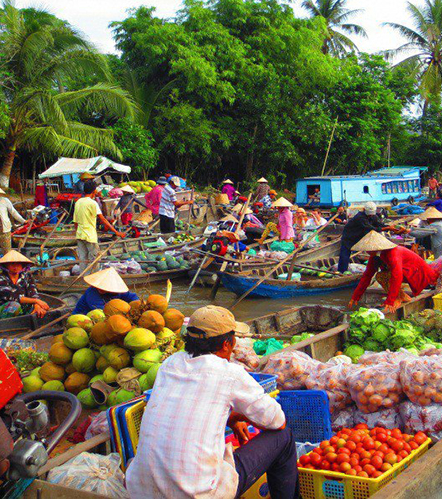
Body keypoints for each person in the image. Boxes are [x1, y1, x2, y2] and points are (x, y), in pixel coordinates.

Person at [126, 305, 297, 499]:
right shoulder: (230, 374)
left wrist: (231, 417)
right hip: (198, 494)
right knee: (284, 437)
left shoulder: (169, 364)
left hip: (141, 490)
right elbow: (277, 421)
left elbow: (189, 409)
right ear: (226, 344)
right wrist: (243, 416)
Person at [348, 231, 439, 312]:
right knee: (380, 276)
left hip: (417, 273)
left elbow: (397, 275)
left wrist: (390, 300)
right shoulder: (374, 256)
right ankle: (402, 296)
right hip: (407, 273)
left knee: (383, 276)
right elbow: (367, 275)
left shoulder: (393, 253)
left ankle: (399, 298)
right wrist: (356, 296)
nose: (367, 252)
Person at [74, 181, 125, 267]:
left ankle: (84, 278)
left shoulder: (78, 202)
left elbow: (75, 222)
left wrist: (77, 232)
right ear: (94, 191)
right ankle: (93, 278)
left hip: (80, 235)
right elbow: (103, 219)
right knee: (94, 260)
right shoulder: (92, 203)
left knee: (83, 260)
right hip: (90, 236)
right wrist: (116, 232)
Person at [0, 251, 49, 319]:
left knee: (43, 308)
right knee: (15, 306)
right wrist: (36, 301)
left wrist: (37, 305)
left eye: (18, 264)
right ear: (6, 265)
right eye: (12, 264)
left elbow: (33, 293)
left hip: (23, 309)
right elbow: (13, 297)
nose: (15, 266)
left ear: (22, 265)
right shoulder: (0, 279)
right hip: (3, 311)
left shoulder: (27, 276)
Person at [338, 202, 384, 273]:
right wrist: (387, 228)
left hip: (361, 237)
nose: (370, 216)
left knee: (374, 253)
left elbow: (380, 225)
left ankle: (377, 268)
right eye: (369, 214)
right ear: (363, 210)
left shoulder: (373, 216)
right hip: (350, 237)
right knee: (345, 255)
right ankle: (341, 271)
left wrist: (389, 228)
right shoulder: (360, 217)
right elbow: (370, 228)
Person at [72, 267, 139, 314]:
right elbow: (103, 311)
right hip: (84, 317)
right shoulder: (92, 293)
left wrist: (137, 305)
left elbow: (133, 297)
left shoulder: (116, 291)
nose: (100, 289)